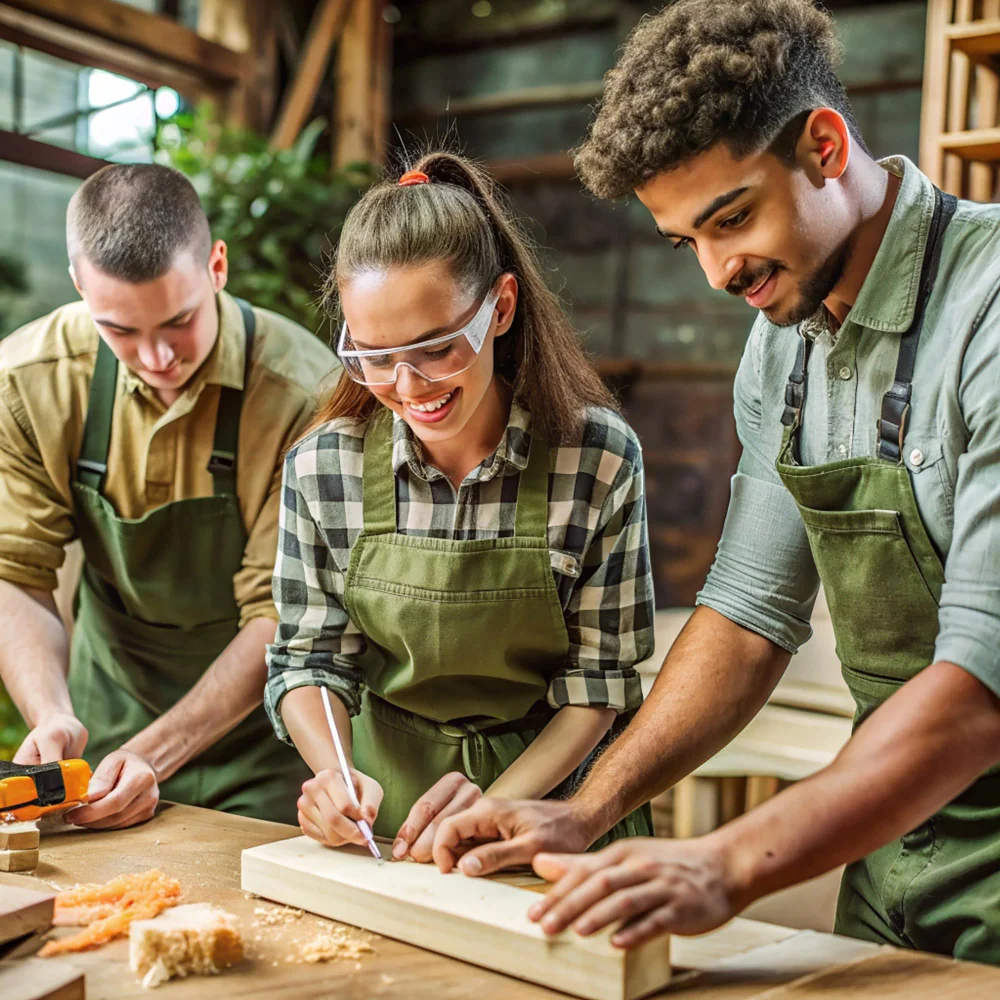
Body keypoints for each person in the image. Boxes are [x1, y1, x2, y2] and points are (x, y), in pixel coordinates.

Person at [428, 0, 1000, 964]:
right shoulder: (782, 348)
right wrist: (588, 804)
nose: (717, 272)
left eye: (731, 218)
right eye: (682, 240)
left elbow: (983, 690)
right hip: (894, 847)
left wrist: (725, 865)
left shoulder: (987, 306)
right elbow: (742, 620)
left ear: (823, 145)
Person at [264, 151, 655, 861]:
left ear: (500, 308)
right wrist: (333, 776)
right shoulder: (323, 467)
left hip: (556, 809)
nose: (408, 385)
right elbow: (309, 659)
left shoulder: (594, 458)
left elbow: (598, 684)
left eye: (437, 348)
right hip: (392, 822)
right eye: (374, 356)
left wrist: (502, 805)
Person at [1, 163, 337, 827]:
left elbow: (279, 613)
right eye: (119, 331)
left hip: (266, 744)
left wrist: (157, 751)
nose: (156, 358)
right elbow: (15, 573)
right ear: (79, 286)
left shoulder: (304, 396)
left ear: (217, 266)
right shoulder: (26, 381)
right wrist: (51, 713)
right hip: (104, 723)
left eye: (178, 321)